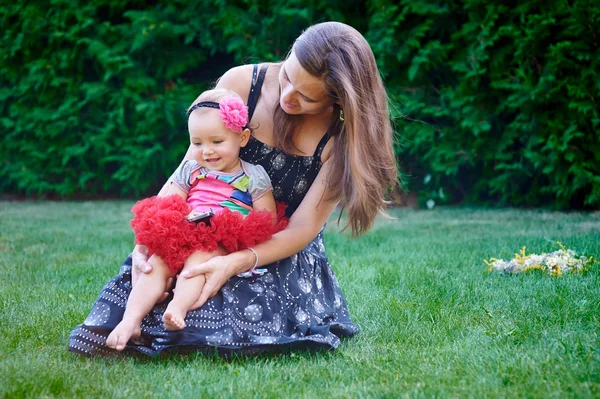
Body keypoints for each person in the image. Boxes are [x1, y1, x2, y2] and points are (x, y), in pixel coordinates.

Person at [69, 21, 397, 357]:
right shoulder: (241, 84)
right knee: (154, 277)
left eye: (306, 97)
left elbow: (302, 229)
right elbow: (188, 171)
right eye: (287, 76)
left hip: (272, 246)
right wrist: (146, 239)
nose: (287, 97)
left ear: (339, 101)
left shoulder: (338, 138)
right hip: (201, 224)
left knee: (213, 313)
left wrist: (234, 262)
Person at [106, 89, 282, 350]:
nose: (207, 151)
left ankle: (177, 307)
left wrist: (239, 228)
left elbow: (266, 219)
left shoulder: (253, 175)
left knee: (199, 260)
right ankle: (131, 319)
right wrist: (176, 222)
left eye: (217, 142)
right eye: (197, 143)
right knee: (157, 263)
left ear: (242, 138)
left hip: (223, 235)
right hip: (187, 229)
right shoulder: (192, 170)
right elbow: (169, 205)